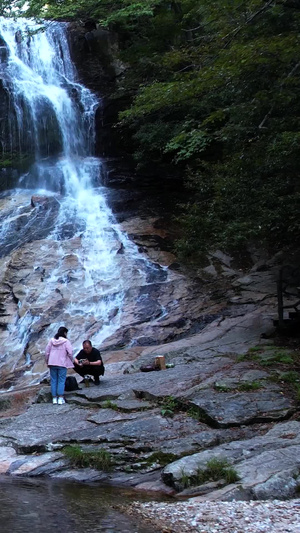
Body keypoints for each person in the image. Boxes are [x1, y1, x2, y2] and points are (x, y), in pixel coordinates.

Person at [45, 326, 73, 405]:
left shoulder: (51, 341)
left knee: (53, 380)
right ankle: (60, 398)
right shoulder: (66, 341)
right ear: (64, 333)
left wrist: (47, 361)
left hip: (52, 363)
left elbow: (47, 352)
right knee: (61, 380)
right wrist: (71, 360)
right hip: (62, 363)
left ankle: (54, 398)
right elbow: (70, 352)